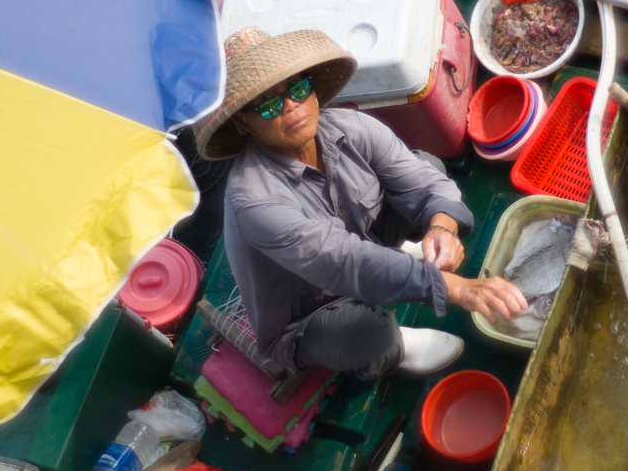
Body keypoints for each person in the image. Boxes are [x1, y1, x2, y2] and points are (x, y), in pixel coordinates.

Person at [195, 26, 530, 383]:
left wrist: (442, 226)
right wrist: (460, 288)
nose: (291, 105)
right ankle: (398, 342)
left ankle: (405, 256)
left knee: (427, 166)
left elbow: (426, 183)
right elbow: (346, 262)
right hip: (311, 307)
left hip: (363, 243)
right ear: (244, 123)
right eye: (269, 105)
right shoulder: (254, 201)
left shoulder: (351, 126)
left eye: (297, 88)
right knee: (374, 339)